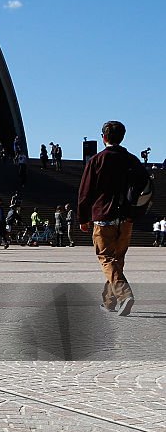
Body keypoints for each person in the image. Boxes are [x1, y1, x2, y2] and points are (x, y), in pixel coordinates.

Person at [78, 120, 147, 316]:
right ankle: (109, 302)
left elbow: (85, 192)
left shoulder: (97, 160)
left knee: (106, 258)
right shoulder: (133, 160)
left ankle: (124, 295)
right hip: (125, 219)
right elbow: (144, 185)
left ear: (104, 137)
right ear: (122, 137)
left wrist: (84, 217)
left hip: (104, 216)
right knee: (117, 259)